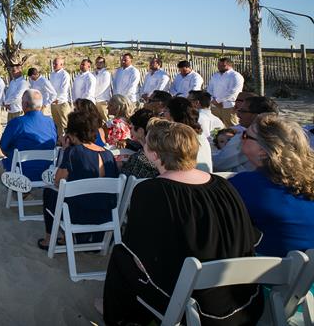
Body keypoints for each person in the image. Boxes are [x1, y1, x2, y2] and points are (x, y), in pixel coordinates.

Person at [102, 119, 263, 325]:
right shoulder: (223, 185)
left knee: (122, 254)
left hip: (194, 304)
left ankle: (124, 318)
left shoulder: (150, 191)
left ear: (154, 155)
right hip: (244, 297)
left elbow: (139, 253)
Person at [230, 114, 314, 257]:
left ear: (263, 151)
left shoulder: (244, 185)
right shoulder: (307, 181)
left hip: (268, 273)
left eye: (245, 135)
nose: (240, 138)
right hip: (307, 274)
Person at [38, 110, 120, 250]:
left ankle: (49, 239)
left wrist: (64, 151)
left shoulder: (73, 153)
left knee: (49, 192)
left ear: (74, 134)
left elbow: (58, 181)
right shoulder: (108, 155)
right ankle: (66, 238)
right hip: (105, 215)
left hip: (79, 216)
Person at [0, 89, 57, 180]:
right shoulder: (50, 122)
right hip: (47, 171)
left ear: (25, 104)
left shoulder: (17, 122)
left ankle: (18, 192)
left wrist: (13, 156)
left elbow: (3, 147)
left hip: (22, 172)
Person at [213, 95, 279, 173]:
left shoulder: (248, 138)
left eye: (242, 111)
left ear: (257, 116)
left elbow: (218, 164)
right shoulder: (280, 134)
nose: (237, 114)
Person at [166, 96, 212, 172]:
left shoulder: (180, 136)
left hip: (191, 178)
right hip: (204, 176)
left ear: (173, 114)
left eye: (166, 111)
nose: (163, 114)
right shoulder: (198, 133)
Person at [119, 108, 159, 179]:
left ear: (140, 131)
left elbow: (124, 181)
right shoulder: (165, 153)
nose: (130, 131)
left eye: (131, 128)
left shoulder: (138, 159)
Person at [207, 57, 244, 127]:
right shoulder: (215, 75)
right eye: (218, 65)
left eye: (222, 65)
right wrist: (212, 100)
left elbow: (234, 91)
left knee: (232, 126)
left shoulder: (236, 76)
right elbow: (209, 89)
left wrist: (218, 100)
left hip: (229, 106)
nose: (219, 67)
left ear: (230, 65)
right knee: (216, 127)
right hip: (214, 106)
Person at [49, 57, 71, 137]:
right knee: (56, 123)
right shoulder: (52, 74)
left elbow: (64, 89)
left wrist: (57, 99)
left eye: (56, 64)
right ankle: (60, 141)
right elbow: (50, 88)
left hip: (62, 102)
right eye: (53, 63)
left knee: (65, 123)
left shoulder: (65, 74)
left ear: (61, 65)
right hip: (53, 103)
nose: (54, 65)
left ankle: (68, 141)